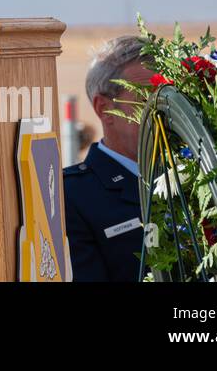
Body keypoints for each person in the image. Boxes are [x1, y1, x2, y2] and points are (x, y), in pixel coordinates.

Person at [64, 34, 154, 281]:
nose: (160, 113)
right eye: (145, 100)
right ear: (105, 109)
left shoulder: (193, 171)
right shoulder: (73, 197)